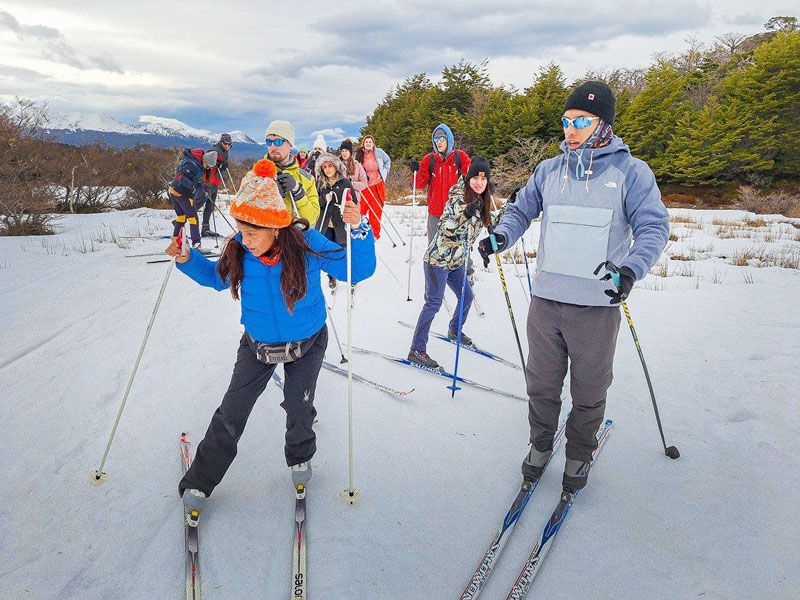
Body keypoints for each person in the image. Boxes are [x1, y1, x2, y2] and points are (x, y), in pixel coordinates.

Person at [478, 81, 669, 495]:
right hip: (546, 303)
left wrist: (631, 270)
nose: (570, 129)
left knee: (589, 388)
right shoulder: (549, 170)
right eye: (565, 121)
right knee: (541, 383)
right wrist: (500, 236)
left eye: (580, 121)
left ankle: (580, 451)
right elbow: (520, 209)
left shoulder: (631, 172)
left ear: (604, 122)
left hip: (596, 307)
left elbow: (653, 228)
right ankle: (541, 444)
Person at [168, 157, 376, 524]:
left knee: (298, 407)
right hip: (257, 346)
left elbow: (357, 270)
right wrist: (187, 259)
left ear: (274, 228)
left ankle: (300, 457)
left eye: (252, 233)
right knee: (231, 413)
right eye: (241, 231)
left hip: (307, 343)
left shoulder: (305, 243)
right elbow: (216, 278)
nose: (245, 241)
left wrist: (359, 230)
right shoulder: (239, 248)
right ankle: (200, 481)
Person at [408, 156, 494, 369]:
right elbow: (446, 228)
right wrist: (464, 214)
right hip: (438, 259)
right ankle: (417, 349)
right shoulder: (458, 196)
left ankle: (454, 330)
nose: (479, 183)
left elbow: (485, 226)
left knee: (467, 296)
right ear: (468, 178)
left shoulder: (483, 202)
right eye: (475, 177)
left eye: (483, 179)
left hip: (456, 261)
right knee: (434, 303)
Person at [408, 123, 471, 243]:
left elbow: (471, 173)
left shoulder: (459, 157)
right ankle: (432, 263)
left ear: (449, 139)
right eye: (436, 139)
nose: (439, 142)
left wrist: (481, 172)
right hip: (435, 212)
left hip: (455, 212)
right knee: (434, 248)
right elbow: (419, 184)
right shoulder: (429, 159)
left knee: (458, 248)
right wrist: (415, 173)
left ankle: (465, 263)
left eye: (442, 139)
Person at [264, 120, 320, 225]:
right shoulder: (256, 174)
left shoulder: (307, 179)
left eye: (278, 142)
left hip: (293, 238)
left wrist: (298, 192)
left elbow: (312, 218)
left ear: (290, 145)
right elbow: (240, 211)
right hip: (265, 239)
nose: (272, 147)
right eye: (268, 141)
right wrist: (267, 195)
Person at [314, 152, 356, 289]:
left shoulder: (345, 182)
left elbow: (354, 201)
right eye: (325, 167)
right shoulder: (320, 184)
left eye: (330, 166)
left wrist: (344, 204)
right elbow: (315, 203)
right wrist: (323, 200)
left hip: (341, 224)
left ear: (336, 167)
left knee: (343, 249)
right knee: (329, 252)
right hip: (326, 225)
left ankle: (350, 274)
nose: (328, 169)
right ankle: (331, 276)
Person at [169, 148, 217, 249]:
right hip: (182, 193)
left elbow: (195, 180)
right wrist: (193, 186)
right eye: (208, 164)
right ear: (204, 159)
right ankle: (196, 244)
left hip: (175, 191)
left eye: (210, 166)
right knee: (193, 219)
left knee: (181, 218)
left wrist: (203, 188)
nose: (208, 167)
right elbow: (180, 177)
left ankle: (176, 243)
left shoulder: (197, 163)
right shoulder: (192, 164)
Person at [355, 134, 391, 239]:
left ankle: (375, 235)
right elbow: (353, 166)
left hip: (377, 186)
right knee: (361, 211)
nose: (368, 143)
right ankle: (359, 232)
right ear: (363, 144)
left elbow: (387, 161)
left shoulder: (379, 152)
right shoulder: (358, 154)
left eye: (370, 142)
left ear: (373, 143)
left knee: (376, 212)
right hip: (363, 187)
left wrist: (384, 172)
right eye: (366, 142)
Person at [201, 133, 232, 238]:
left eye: (229, 145)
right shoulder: (215, 150)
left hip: (215, 182)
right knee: (198, 203)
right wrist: (217, 164)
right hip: (208, 181)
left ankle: (205, 228)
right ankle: (180, 223)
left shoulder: (224, 151)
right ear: (221, 142)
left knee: (210, 206)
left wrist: (222, 165)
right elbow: (207, 158)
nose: (227, 146)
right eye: (226, 144)